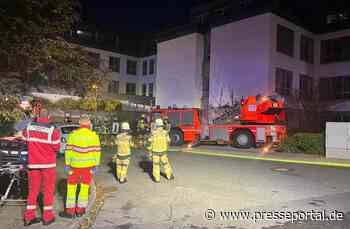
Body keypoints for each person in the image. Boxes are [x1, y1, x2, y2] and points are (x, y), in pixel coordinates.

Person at [22, 109, 60, 226]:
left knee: (33, 190)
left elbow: (25, 140)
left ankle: (29, 217)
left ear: (38, 116)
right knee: (48, 190)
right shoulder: (53, 130)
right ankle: (47, 217)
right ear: (48, 117)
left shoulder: (28, 127)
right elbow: (57, 148)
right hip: (48, 165)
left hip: (33, 164)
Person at [60, 115, 101, 218]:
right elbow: (97, 152)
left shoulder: (73, 135)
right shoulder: (94, 136)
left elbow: (68, 151)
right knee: (84, 189)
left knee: (71, 189)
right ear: (89, 124)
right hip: (88, 168)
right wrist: (95, 165)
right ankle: (80, 211)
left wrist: (67, 164)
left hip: (74, 167)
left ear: (79, 123)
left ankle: (70, 212)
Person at [147, 118, 174, 183]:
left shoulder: (153, 133)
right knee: (166, 164)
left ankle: (157, 178)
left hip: (155, 152)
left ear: (156, 125)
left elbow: (150, 142)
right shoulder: (165, 133)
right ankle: (169, 176)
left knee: (156, 165)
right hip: (163, 152)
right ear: (162, 125)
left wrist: (150, 152)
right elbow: (168, 141)